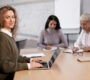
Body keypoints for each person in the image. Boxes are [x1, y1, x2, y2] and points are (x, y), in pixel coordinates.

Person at [0, 5, 43, 80]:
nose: (12, 20)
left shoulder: (8, 35)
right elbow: (5, 66)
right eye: (7, 17)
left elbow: (14, 57)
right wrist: (28, 66)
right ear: (1, 19)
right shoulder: (2, 38)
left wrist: (30, 60)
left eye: (13, 17)